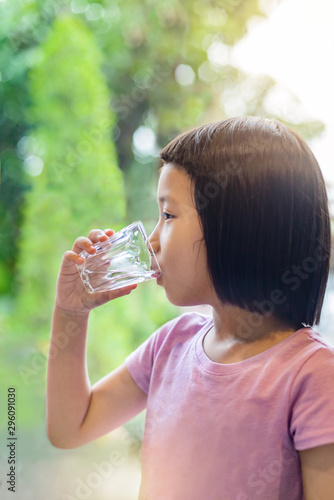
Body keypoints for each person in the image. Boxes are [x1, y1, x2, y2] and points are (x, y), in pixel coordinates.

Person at [47, 116, 334, 499]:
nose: (151, 240)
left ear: (236, 227)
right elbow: (70, 427)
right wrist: (70, 312)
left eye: (167, 215)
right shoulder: (171, 345)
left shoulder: (312, 376)